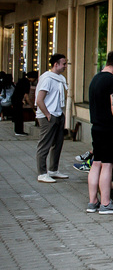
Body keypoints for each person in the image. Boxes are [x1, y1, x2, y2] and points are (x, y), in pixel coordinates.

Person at [86, 51, 113, 215]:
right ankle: (105, 203)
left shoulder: (95, 78)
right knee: (108, 164)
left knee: (96, 163)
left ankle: (92, 201)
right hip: (108, 128)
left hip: (95, 126)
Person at [35, 54, 69, 183]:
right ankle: (42, 173)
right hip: (48, 116)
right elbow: (39, 100)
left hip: (58, 114)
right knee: (45, 145)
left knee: (58, 144)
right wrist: (48, 115)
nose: (66, 66)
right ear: (56, 64)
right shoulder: (47, 78)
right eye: (64, 64)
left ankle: (53, 170)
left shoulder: (59, 78)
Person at [11, 70, 35, 137]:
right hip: (17, 100)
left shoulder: (22, 80)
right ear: (32, 78)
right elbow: (26, 96)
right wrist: (31, 105)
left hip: (15, 99)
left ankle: (18, 131)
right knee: (19, 116)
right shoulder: (26, 83)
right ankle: (19, 131)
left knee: (17, 115)